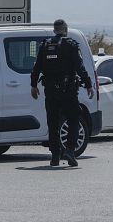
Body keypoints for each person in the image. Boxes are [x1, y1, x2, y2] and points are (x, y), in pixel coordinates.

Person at [30, 19, 94, 167]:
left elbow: (37, 67)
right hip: (68, 91)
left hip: (51, 91)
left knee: (52, 122)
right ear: (65, 30)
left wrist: (33, 86)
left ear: (54, 30)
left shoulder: (45, 46)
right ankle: (70, 151)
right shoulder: (71, 45)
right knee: (72, 119)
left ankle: (55, 156)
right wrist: (89, 85)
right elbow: (80, 67)